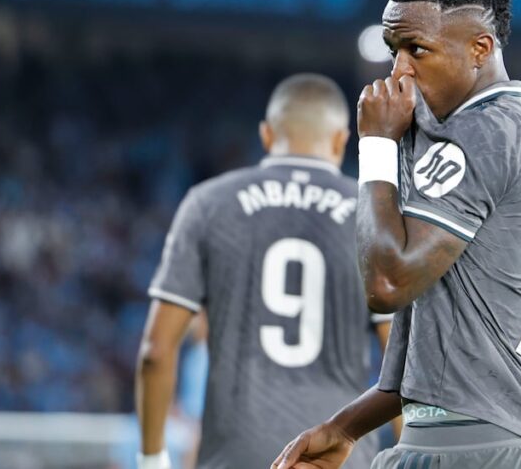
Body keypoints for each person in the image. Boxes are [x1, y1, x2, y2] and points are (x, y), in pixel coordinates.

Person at [273, 0, 521, 468]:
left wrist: (374, 147)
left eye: (417, 49)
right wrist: (344, 429)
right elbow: (439, 348)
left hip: (480, 448)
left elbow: (388, 284)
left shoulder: (483, 134)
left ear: (480, 49)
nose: (399, 70)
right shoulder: (509, 134)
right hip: (481, 439)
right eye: (393, 49)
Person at [136, 73, 393, 469]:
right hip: (339, 458)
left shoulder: (207, 204)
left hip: (233, 456)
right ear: (342, 140)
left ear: (267, 135)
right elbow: (403, 362)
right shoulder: (370, 213)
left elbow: (156, 352)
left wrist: (151, 459)